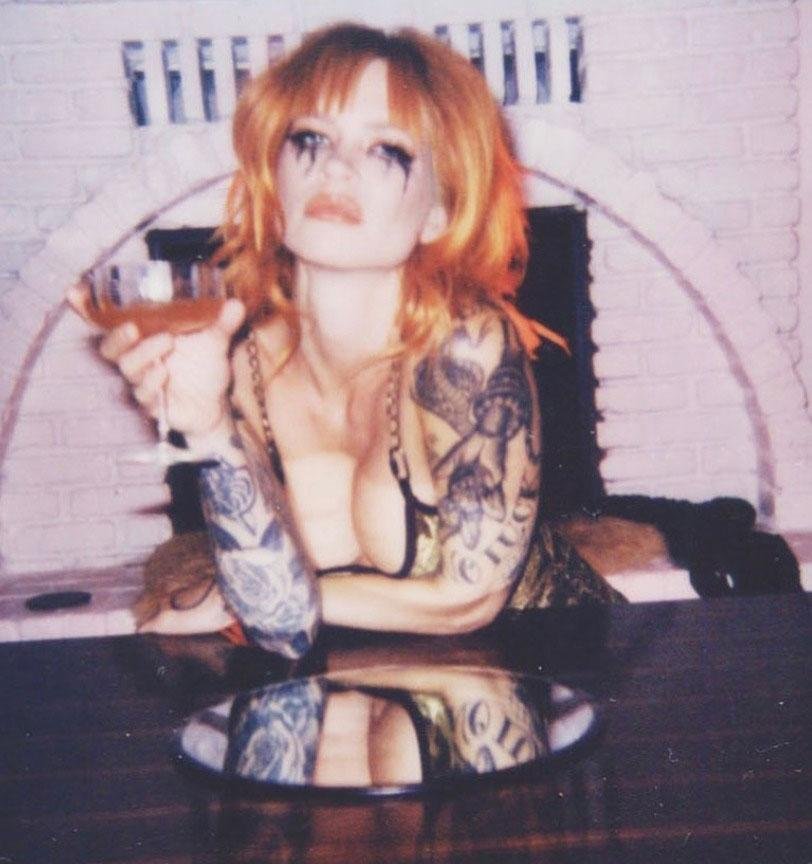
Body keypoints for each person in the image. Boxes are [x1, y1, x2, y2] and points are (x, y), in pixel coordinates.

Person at [72, 23, 622, 658]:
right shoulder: (236, 359)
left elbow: (468, 599)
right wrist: (210, 429)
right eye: (311, 138)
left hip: (563, 664)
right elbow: (280, 622)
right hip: (381, 679)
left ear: (438, 212)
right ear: (273, 177)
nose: (335, 166)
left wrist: (245, 596)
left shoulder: (464, 346)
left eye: (386, 149)